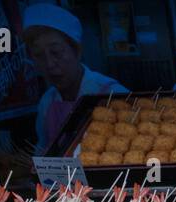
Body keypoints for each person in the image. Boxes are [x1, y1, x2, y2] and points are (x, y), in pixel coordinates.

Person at [23, 3, 126, 152]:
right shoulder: (47, 103)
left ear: (76, 51)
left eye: (56, 52)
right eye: (39, 56)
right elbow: (43, 150)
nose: (49, 64)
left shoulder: (113, 94)